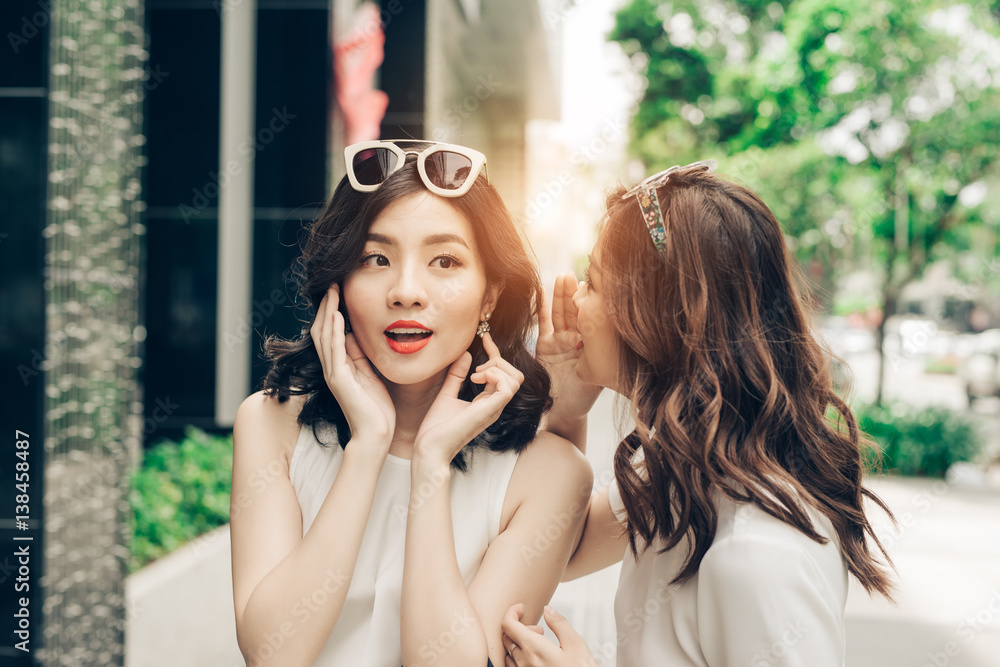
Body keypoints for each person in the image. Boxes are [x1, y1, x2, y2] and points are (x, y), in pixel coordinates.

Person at [500, 160, 896, 666]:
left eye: (593, 283)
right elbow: (559, 550)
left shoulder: (757, 553)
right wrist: (567, 411)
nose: (575, 302)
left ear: (654, 316)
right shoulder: (682, 470)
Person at [230, 139, 592, 667]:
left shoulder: (549, 473)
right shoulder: (271, 424)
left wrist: (430, 467)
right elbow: (272, 655)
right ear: (338, 285)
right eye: (375, 258)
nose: (406, 291)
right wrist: (368, 446)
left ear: (490, 294)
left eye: (444, 261)